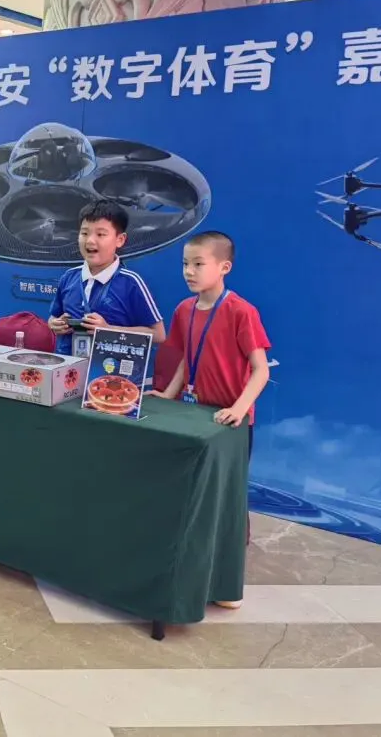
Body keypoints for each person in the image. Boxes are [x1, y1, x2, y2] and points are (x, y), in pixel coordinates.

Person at [149, 230, 271, 610]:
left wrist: (239, 408)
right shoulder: (183, 310)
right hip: (193, 415)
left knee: (228, 497)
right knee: (196, 493)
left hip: (229, 422)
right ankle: (193, 563)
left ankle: (226, 578)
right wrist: (169, 393)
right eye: (185, 263)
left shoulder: (241, 311)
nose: (189, 271)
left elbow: (261, 370)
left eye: (198, 264)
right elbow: (188, 359)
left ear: (224, 267)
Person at [47, 199, 166, 354]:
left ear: (120, 240)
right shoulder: (69, 277)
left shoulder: (131, 282)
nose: (90, 241)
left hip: (110, 367)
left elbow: (159, 335)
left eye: (101, 234)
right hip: (69, 367)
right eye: (84, 233)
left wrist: (108, 330)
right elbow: (52, 318)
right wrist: (54, 324)